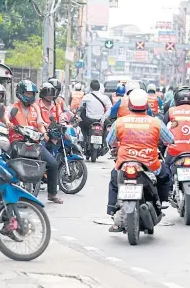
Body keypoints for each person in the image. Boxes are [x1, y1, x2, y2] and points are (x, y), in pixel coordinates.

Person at [106, 88, 174, 232]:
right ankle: (160, 202)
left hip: (124, 164)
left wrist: (117, 145)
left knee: (114, 181)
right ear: (146, 105)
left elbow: (110, 141)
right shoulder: (155, 122)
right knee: (165, 175)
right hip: (150, 165)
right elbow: (170, 139)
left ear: (130, 105)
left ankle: (112, 209)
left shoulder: (120, 122)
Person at [4, 80, 63, 204]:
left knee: (52, 163)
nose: (30, 96)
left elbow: (39, 124)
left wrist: (44, 133)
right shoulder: (13, 107)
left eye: (32, 94)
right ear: (20, 93)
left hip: (34, 141)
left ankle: (52, 194)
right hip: (18, 141)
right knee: (10, 165)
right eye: (28, 93)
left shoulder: (35, 108)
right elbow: (5, 116)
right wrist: (8, 122)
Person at [77, 80, 112, 147]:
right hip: (100, 121)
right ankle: (105, 142)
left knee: (81, 122)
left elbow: (80, 108)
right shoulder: (105, 97)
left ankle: (84, 138)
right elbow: (110, 109)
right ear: (99, 88)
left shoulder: (86, 97)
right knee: (109, 126)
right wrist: (103, 118)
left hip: (88, 122)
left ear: (91, 88)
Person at [163, 86, 190, 167]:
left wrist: (161, 148)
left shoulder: (171, 111)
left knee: (166, 171)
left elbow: (162, 130)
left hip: (174, 151)